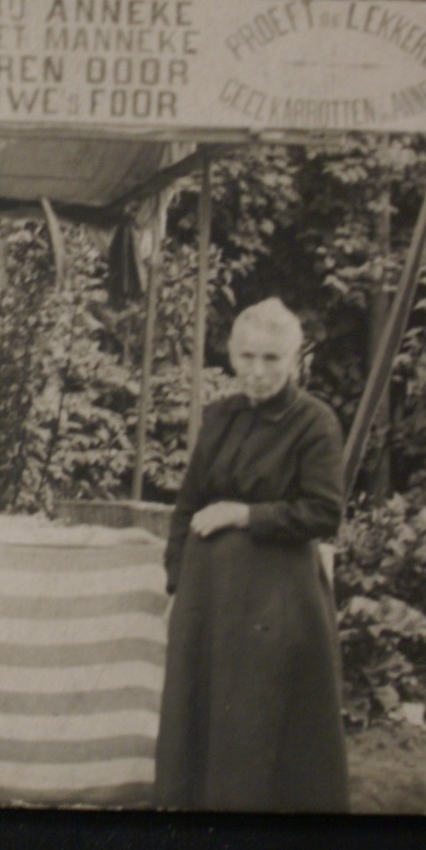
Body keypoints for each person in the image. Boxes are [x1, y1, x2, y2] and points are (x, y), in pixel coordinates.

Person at [154, 298, 349, 812]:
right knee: (204, 714)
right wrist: (176, 584)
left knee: (257, 721)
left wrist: (246, 516)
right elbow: (189, 504)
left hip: (275, 598)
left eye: (271, 359)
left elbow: (324, 513)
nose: (257, 372)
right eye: (247, 357)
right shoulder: (220, 416)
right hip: (208, 597)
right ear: (232, 355)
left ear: (295, 360)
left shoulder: (315, 422)